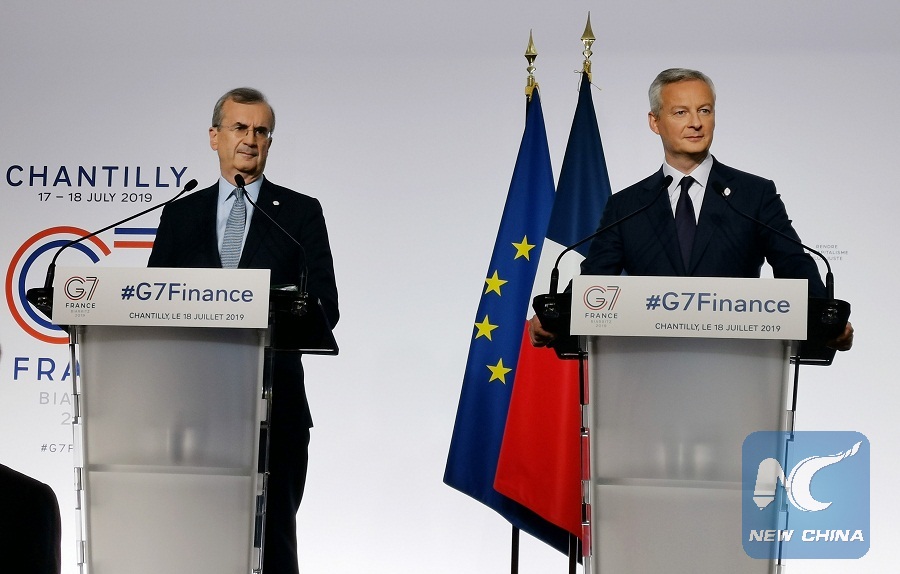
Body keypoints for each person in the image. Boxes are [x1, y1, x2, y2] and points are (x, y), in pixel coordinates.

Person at [148, 87, 339, 574]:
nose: (250, 139)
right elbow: (152, 304)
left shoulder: (298, 213)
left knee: (273, 546)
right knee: (189, 544)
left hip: (276, 409)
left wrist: (264, 308)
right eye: (239, 127)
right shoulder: (180, 214)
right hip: (192, 411)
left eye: (261, 130)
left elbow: (326, 306)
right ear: (215, 137)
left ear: (269, 141)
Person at [529, 68, 852, 350]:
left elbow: (793, 263)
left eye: (705, 110)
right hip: (647, 365)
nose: (696, 123)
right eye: (681, 112)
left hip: (737, 362)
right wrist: (557, 317)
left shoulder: (753, 195)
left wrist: (826, 318)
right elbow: (595, 279)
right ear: (655, 122)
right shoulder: (627, 205)